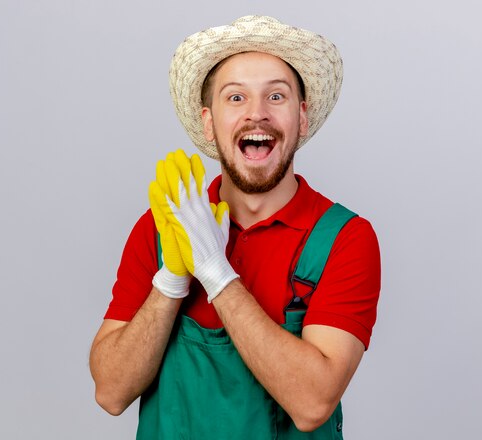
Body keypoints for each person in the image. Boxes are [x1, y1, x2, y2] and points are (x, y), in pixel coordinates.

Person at [89, 15, 381, 439]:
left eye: (276, 96)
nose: (257, 114)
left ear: (301, 116)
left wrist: (217, 274)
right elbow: (111, 392)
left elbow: (313, 403)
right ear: (209, 122)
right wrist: (170, 281)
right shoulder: (159, 229)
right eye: (236, 98)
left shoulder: (344, 240)